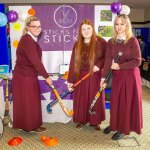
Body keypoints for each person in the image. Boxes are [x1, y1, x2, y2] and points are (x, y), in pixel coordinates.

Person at [101, 14, 143, 140]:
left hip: (130, 77)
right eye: (117, 24)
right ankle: (114, 125)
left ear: (127, 25)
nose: (119, 27)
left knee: (126, 103)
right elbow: (108, 61)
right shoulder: (111, 42)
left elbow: (137, 61)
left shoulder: (132, 40)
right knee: (115, 102)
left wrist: (120, 66)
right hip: (118, 77)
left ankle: (123, 129)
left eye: (122, 24)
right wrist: (104, 79)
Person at [12, 16, 53, 133]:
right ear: (28, 27)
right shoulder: (27, 40)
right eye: (34, 26)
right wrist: (47, 77)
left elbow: (35, 61)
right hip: (24, 77)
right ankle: (30, 126)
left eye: (39, 26)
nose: (37, 28)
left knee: (32, 102)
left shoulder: (31, 39)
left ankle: (34, 125)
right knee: (28, 102)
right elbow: (36, 61)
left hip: (28, 75)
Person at [67, 19, 107, 131]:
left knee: (95, 98)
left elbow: (107, 58)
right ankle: (82, 120)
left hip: (95, 76)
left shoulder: (101, 42)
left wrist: (98, 65)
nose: (86, 31)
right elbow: (73, 63)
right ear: (80, 31)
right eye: (83, 29)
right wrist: (70, 80)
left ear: (93, 29)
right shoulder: (77, 45)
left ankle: (95, 122)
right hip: (81, 77)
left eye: (88, 28)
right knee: (82, 99)